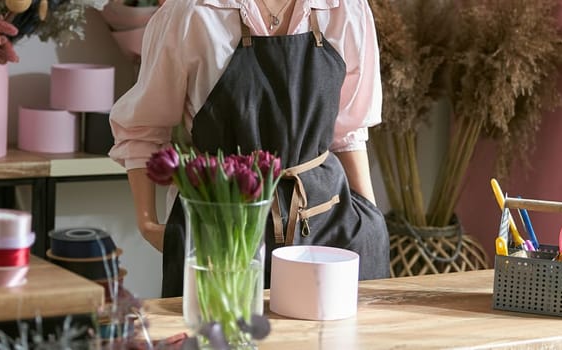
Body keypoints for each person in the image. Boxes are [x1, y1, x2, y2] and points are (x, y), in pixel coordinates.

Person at [108, 0, 389, 298]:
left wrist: (369, 216)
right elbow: (142, 128)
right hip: (223, 231)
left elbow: (348, 131)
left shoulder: (345, 7)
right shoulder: (191, 12)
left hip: (330, 227)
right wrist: (148, 223)